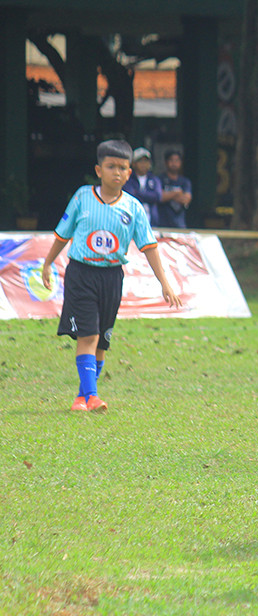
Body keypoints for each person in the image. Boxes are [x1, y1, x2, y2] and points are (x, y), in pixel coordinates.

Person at [40, 139, 183, 412]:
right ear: (98, 170)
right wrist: (47, 264)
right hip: (82, 274)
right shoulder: (83, 197)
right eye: (110, 166)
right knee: (89, 335)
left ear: (130, 173)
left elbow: (149, 247)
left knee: (102, 342)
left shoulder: (133, 208)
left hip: (112, 277)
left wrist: (165, 283)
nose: (116, 172)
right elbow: (62, 234)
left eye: (122, 168)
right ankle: (93, 397)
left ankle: (81, 398)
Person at [123, 147, 162, 228]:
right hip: (131, 222)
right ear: (133, 163)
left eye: (146, 161)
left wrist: (138, 193)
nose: (143, 164)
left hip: (152, 223)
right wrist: (148, 195)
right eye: (140, 161)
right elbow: (129, 196)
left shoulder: (154, 179)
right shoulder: (128, 179)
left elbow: (157, 196)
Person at [157, 150, 193, 229]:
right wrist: (177, 193)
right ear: (166, 162)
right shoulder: (159, 179)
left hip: (179, 223)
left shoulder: (185, 181)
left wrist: (168, 195)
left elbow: (186, 199)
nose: (174, 163)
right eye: (171, 160)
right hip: (162, 222)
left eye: (177, 160)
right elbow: (160, 197)